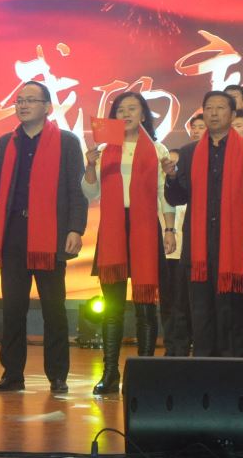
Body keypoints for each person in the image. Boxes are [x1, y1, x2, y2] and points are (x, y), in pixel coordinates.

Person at [0, 81, 88, 394]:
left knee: (54, 309)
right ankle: (12, 374)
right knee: (13, 309)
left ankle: (58, 375)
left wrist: (76, 228)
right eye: (19, 100)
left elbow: (77, 189)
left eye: (30, 100)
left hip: (50, 235)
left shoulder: (67, 142)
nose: (22, 105)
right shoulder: (6, 142)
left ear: (47, 107)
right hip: (14, 235)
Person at [163, 91, 243, 358]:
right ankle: (204, 364)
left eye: (220, 108)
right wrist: (172, 178)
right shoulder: (189, 152)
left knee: (233, 309)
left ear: (233, 114)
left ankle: (234, 367)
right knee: (201, 309)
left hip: (237, 242)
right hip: (199, 245)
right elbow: (177, 198)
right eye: (209, 108)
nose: (213, 113)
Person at [83, 92, 173, 395]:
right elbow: (90, 193)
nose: (126, 113)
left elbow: (163, 192)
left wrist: (169, 228)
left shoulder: (157, 149)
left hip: (145, 228)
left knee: (146, 307)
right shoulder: (104, 150)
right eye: (120, 110)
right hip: (113, 230)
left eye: (132, 109)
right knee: (112, 308)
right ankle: (110, 374)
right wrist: (89, 166)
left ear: (143, 115)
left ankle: (144, 374)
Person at [162, 115, 206, 357]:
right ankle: (175, 349)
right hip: (178, 245)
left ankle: (201, 348)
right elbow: (172, 198)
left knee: (196, 301)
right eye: (194, 127)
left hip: (200, 243)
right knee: (175, 300)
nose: (197, 131)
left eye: (202, 127)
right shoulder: (183, 157)